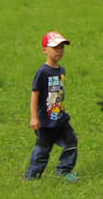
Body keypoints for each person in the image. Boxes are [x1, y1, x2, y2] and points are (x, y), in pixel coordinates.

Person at [25, 30, 79, 181]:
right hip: (46, 121)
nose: (59, 51)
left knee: (71, 143)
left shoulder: (61, 70)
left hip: (61, 119)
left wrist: (61, 108)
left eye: (62, 47)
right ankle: (32, 177)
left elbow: (58, 93)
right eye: (55, 48)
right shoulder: (42, 72)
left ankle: (64, 171)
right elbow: (35, 94)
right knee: (42, 151)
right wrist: (34, 117)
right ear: (44, 50)